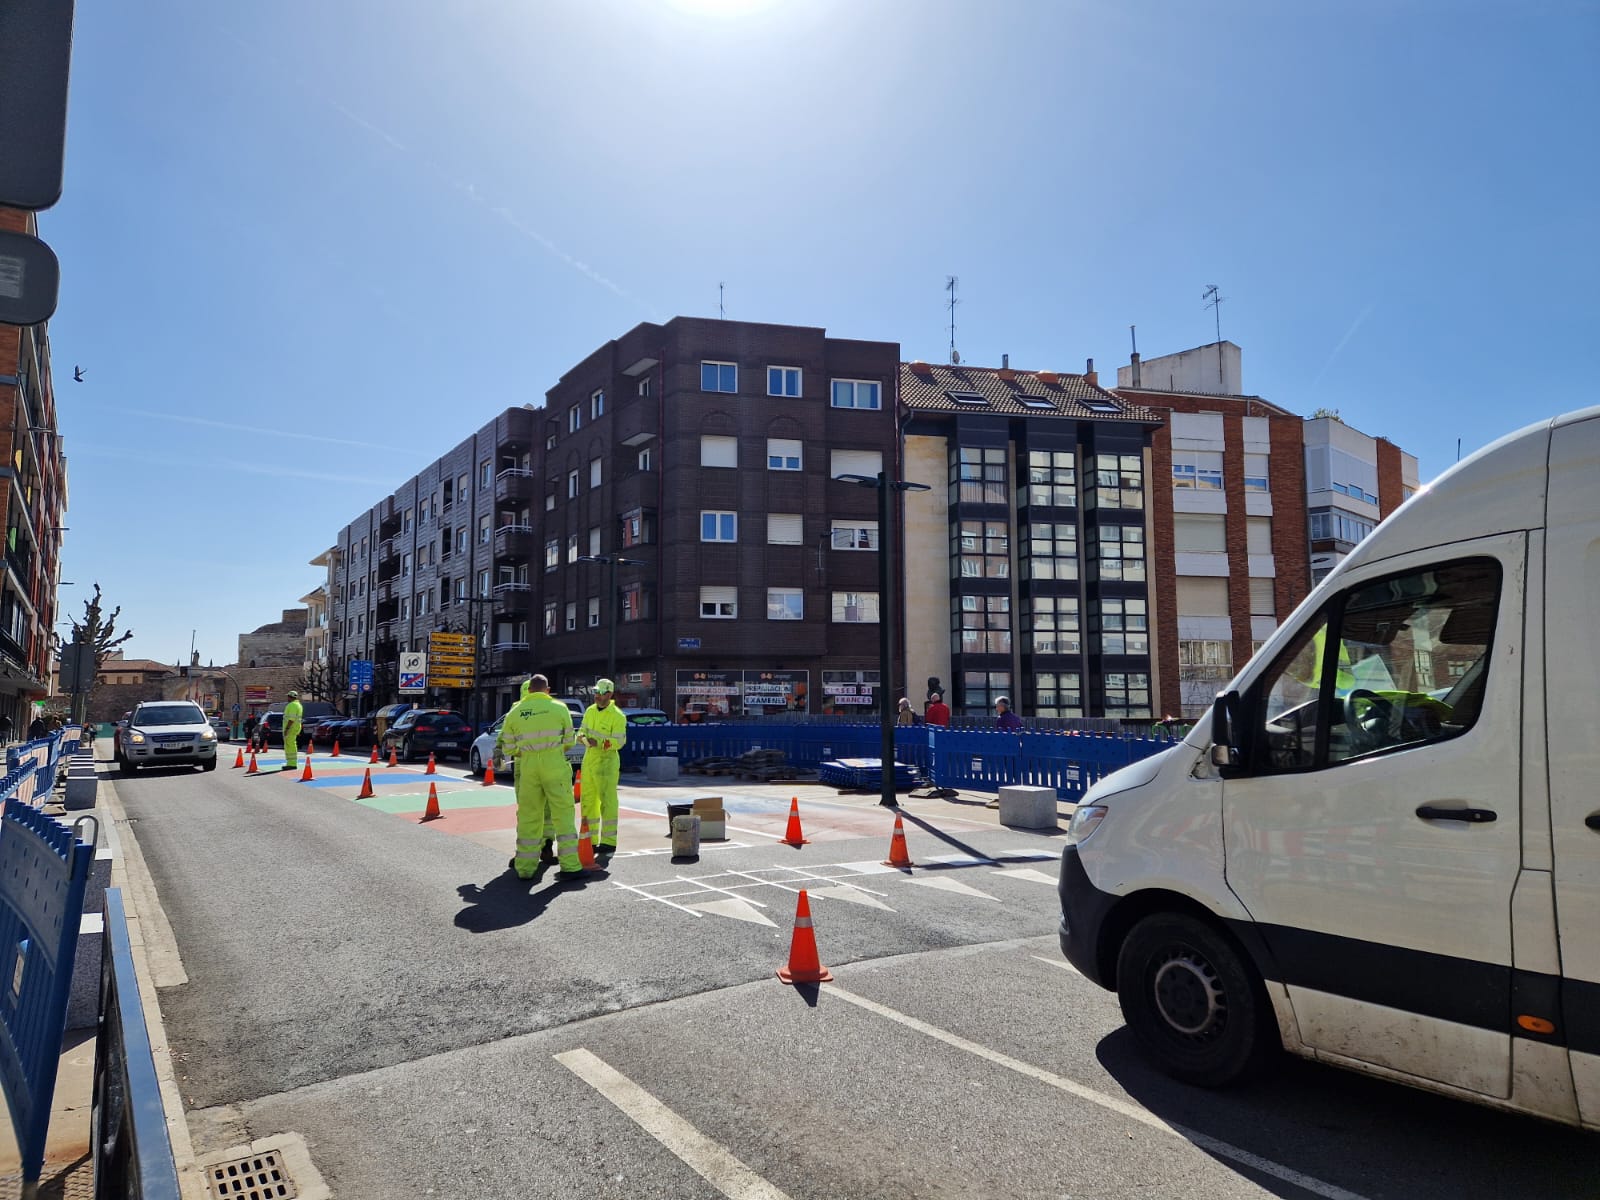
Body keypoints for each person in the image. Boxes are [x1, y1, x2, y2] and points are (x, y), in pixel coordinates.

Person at [496, 674, 583, 881]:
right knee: (563, 815)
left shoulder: (515, 712)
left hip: (528, 766)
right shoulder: (559, 708)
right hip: (554, 764)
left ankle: (525, 868)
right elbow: (570, 740)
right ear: (547, 690)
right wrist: (552, 751)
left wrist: (526, 753)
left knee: (529, 816)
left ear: (528, 690)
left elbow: (508, 747)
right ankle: (570, 867)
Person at [577, 678, 628, 857]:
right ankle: (590, 840)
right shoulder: (590, 711)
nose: (597, 695)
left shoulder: (617, 716)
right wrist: (583, 739)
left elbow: (619, 741)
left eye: (600, 693)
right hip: (589, 762)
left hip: (607, 763)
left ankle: (608, 841)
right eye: (596, 692)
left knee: (608, 802)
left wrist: (598, 742)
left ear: (610, 694)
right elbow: (581, 731)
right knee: (588, 802)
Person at [282, 690, 304, 771]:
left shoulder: (292, 705)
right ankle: (291, 763)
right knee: (291, 745)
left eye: (288, 696)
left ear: (290, 697)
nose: (287, 698)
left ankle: (291, 763)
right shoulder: (298, 705)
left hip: (291, 728)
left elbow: (291, 719)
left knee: (290, 745)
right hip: (295, 728)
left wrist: (287, 729)